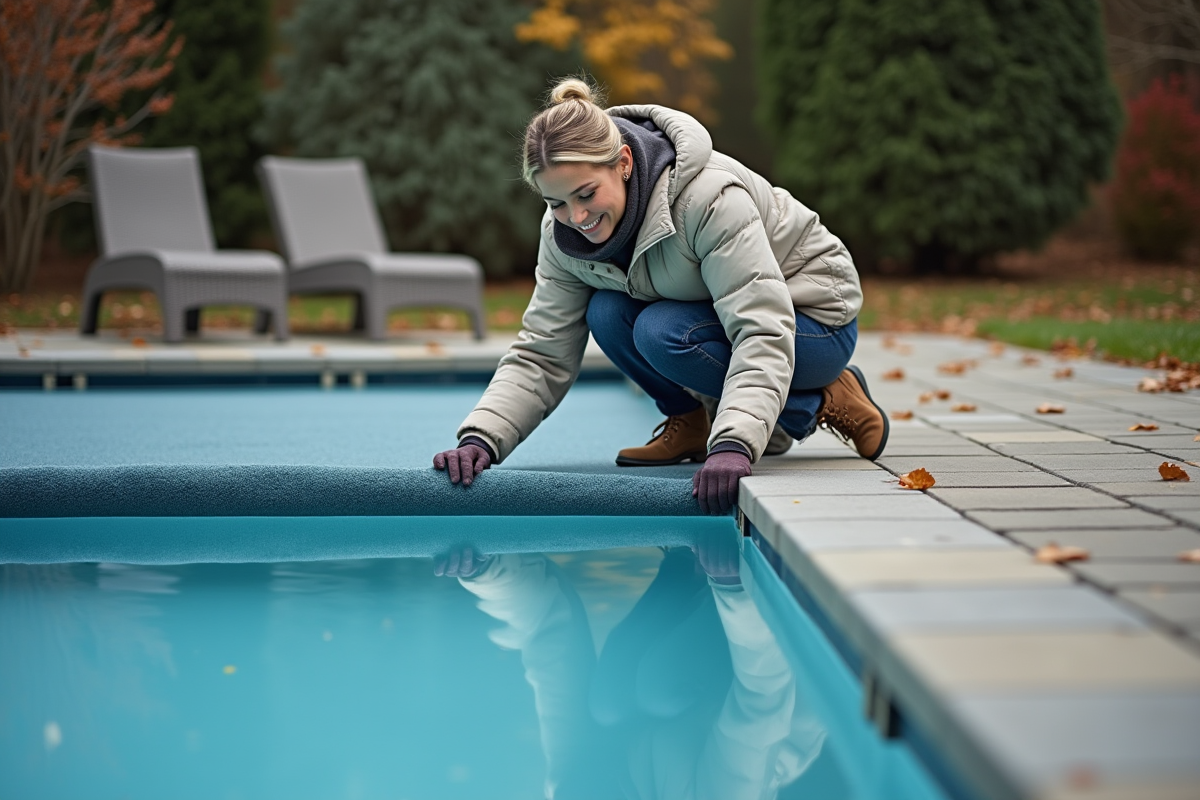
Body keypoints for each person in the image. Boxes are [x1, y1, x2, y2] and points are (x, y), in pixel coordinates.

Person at [434, 77, 888, 514]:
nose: (576, 216)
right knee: (607, 311)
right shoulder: (562, 235)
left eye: (586, 193)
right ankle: (690, 422)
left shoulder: (706, 198)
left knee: (662, 331)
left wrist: (734, 442)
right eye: (555, 202)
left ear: (625, 162)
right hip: (714, 313)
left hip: (813, 318)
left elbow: (760, 325)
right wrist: (482, 439)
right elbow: (543, 351)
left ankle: (826, 397)